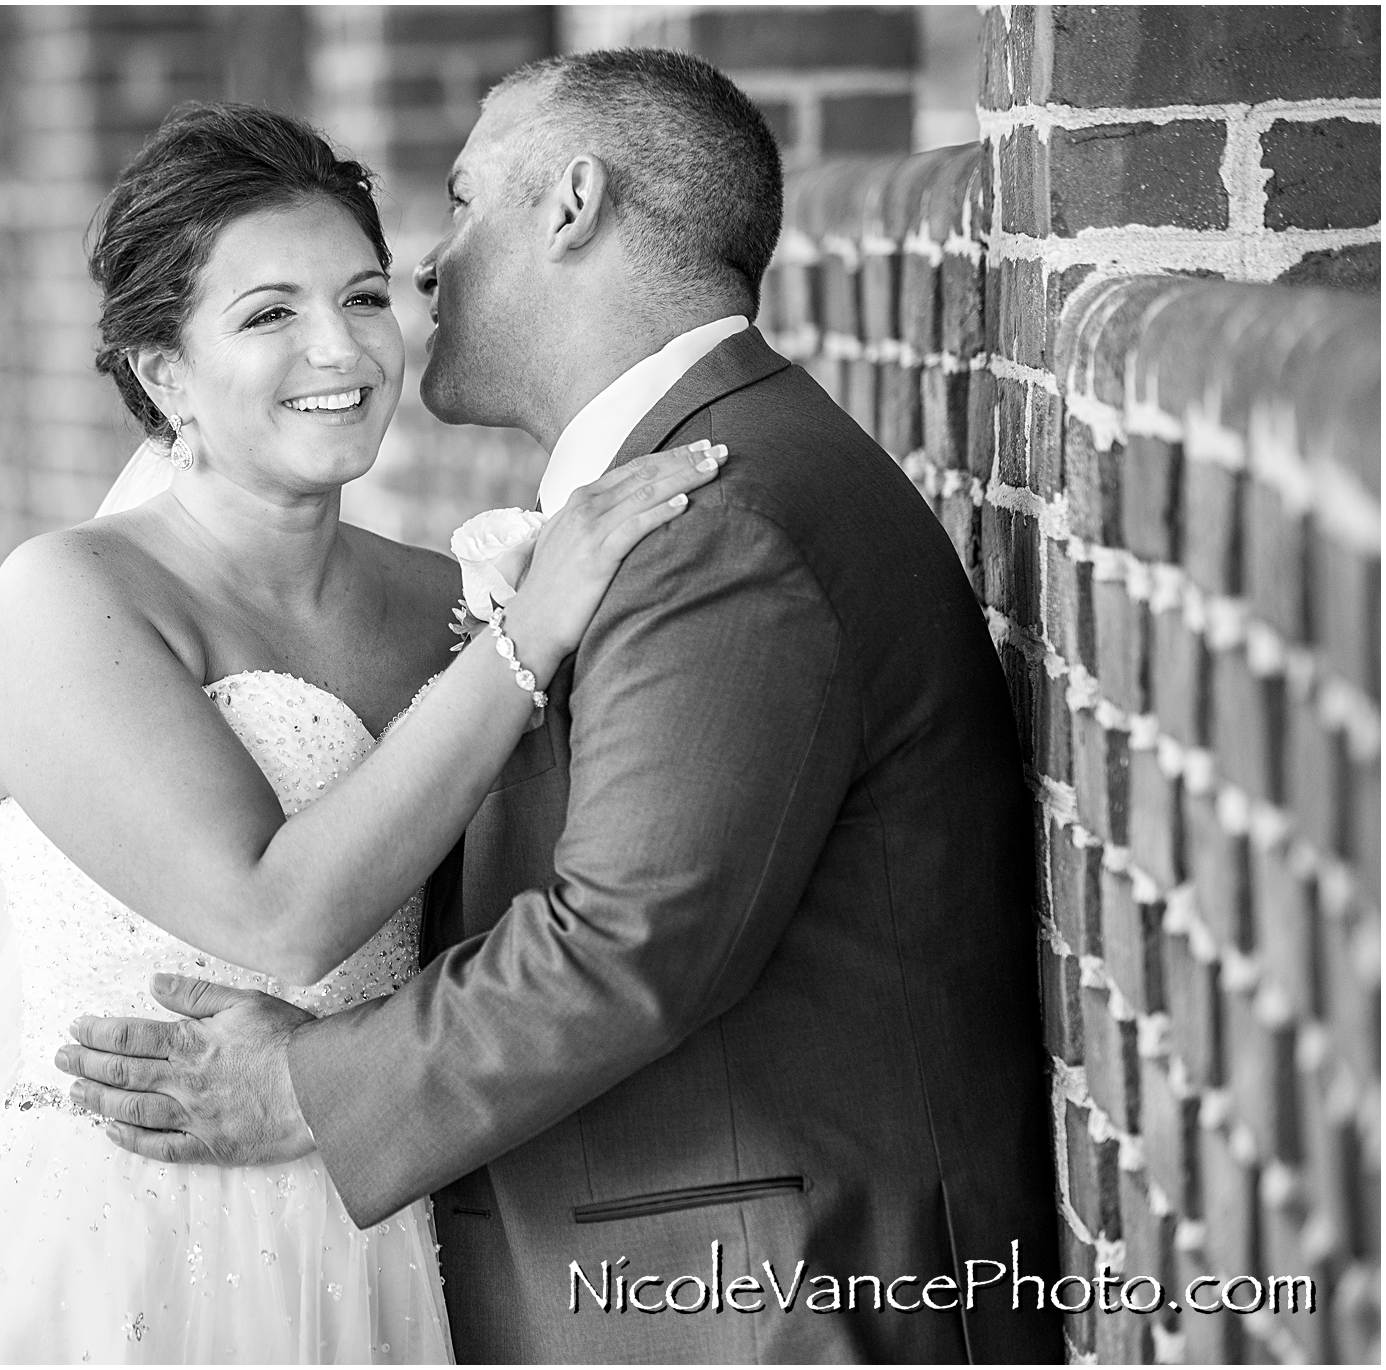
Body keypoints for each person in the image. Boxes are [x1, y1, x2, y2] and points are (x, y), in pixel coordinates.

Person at [57, 50, 1065, 1363]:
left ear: (574, 202)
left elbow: (628, 943)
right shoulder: (668, 487)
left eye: (466, 203)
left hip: (774, 1303)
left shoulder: (717, 513)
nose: (427, 272)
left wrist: (306, 1089)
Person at [0, 101, 726, 1364]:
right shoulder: (68, 597)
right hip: (121, 1241)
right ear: (162, 372)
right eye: (267, 314)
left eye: (364, 296)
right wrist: (529, 634)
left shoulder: (447, 600)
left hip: (381, 1212)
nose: (342, 349)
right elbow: (276, 914)